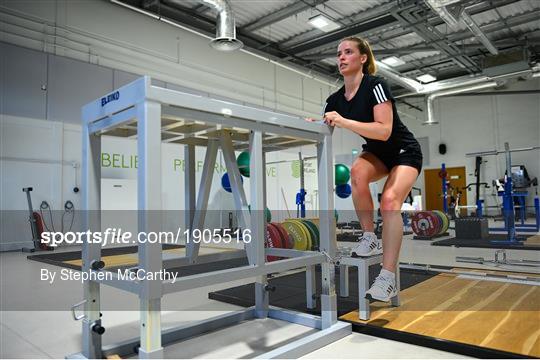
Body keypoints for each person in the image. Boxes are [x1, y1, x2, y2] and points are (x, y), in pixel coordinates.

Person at [322, 37, 423, 302]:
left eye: (348, 52)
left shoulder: (376, 85)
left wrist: (344, 121)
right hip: (378, 154)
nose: (341, 57)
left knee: (389, 202)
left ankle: (387, 279)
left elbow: (384, 130)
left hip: (404, 151)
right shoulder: (334, 99)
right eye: (338, 53)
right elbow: (323, 126)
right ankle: (369, 236)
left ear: (363, 58)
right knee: (357, 172)